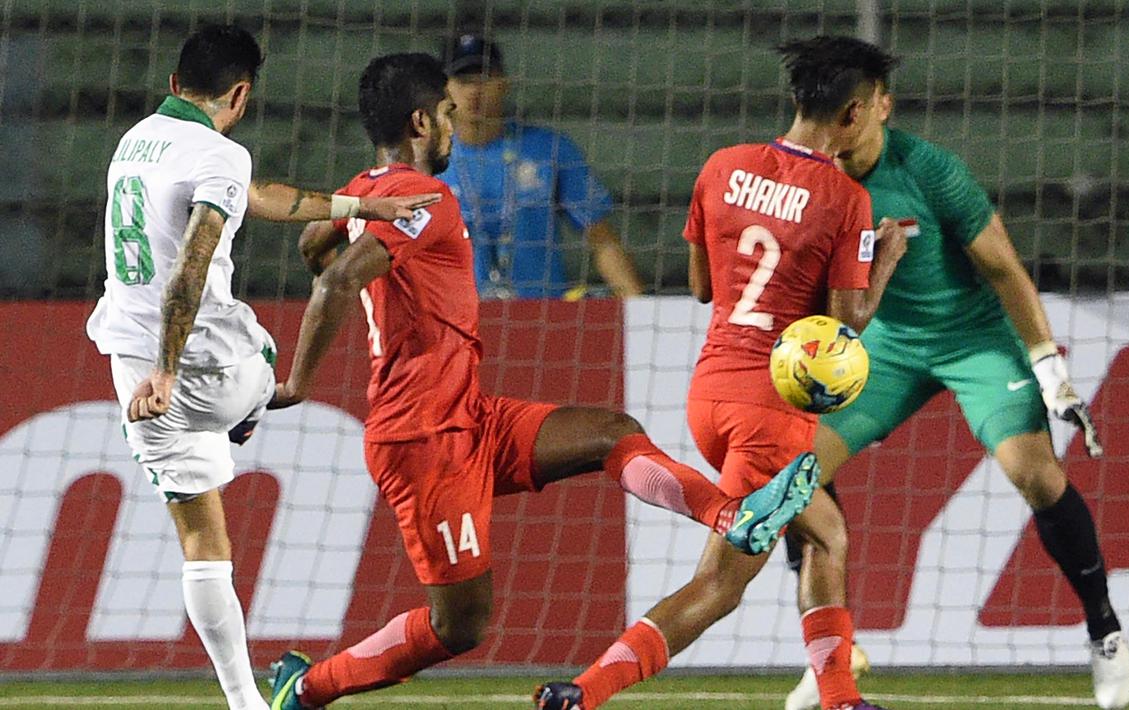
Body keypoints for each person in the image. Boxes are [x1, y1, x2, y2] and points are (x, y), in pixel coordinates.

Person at [262, 52, 819, 710]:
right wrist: (297, 381)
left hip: (470, 416)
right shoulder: (427, 196)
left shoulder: (362, 188)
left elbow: (317, 250)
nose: (453, 123)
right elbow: (335, 278)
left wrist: (324, 244)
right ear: (420, 121)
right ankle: (306, 690)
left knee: (610, 433)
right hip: (423, 439)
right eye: (444, 113)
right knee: (459, 625)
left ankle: (731, 516)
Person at [534, 37, 909, 710]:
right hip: (772, 408)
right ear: (853, 113)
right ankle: (581, 694)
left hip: (710, 392)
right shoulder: (843, 196)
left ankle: (840, 698)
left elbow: (703, 285)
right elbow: (841, 324)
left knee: (826, 533)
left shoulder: (722, 166)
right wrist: (883, 259)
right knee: (719, 584)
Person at [780, 36, 1129, 710]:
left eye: (853, 112)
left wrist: (1047, 371)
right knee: (794, 474)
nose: (840, 130)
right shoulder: (804, 178)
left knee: (1031, 472)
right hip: (881, 347)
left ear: (879, 107)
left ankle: (1105, 631)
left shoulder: (931, 171)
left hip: (972, 339)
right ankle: (833, 652)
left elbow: (1003, 268)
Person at [85, 25, 438, 710]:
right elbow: (193, 261)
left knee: (201, 539)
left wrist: (361, 204)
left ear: (174, 84)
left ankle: (244, 701)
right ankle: (245, 416)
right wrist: (172, 366)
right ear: (240, 94)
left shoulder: (136, 142)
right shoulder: (216, 153)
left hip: (129, 369)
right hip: (201, 368)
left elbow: (260, 193)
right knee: (267, 348)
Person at [437, 33, 643, 300]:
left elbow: (601, 238)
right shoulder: (428, 160)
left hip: (542, 317)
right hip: (456, 317)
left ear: (504, 83)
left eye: (485, 78)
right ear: (444, 90)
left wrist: (637, 306)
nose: (475, 90)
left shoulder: (548, 149)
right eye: (464, 81)